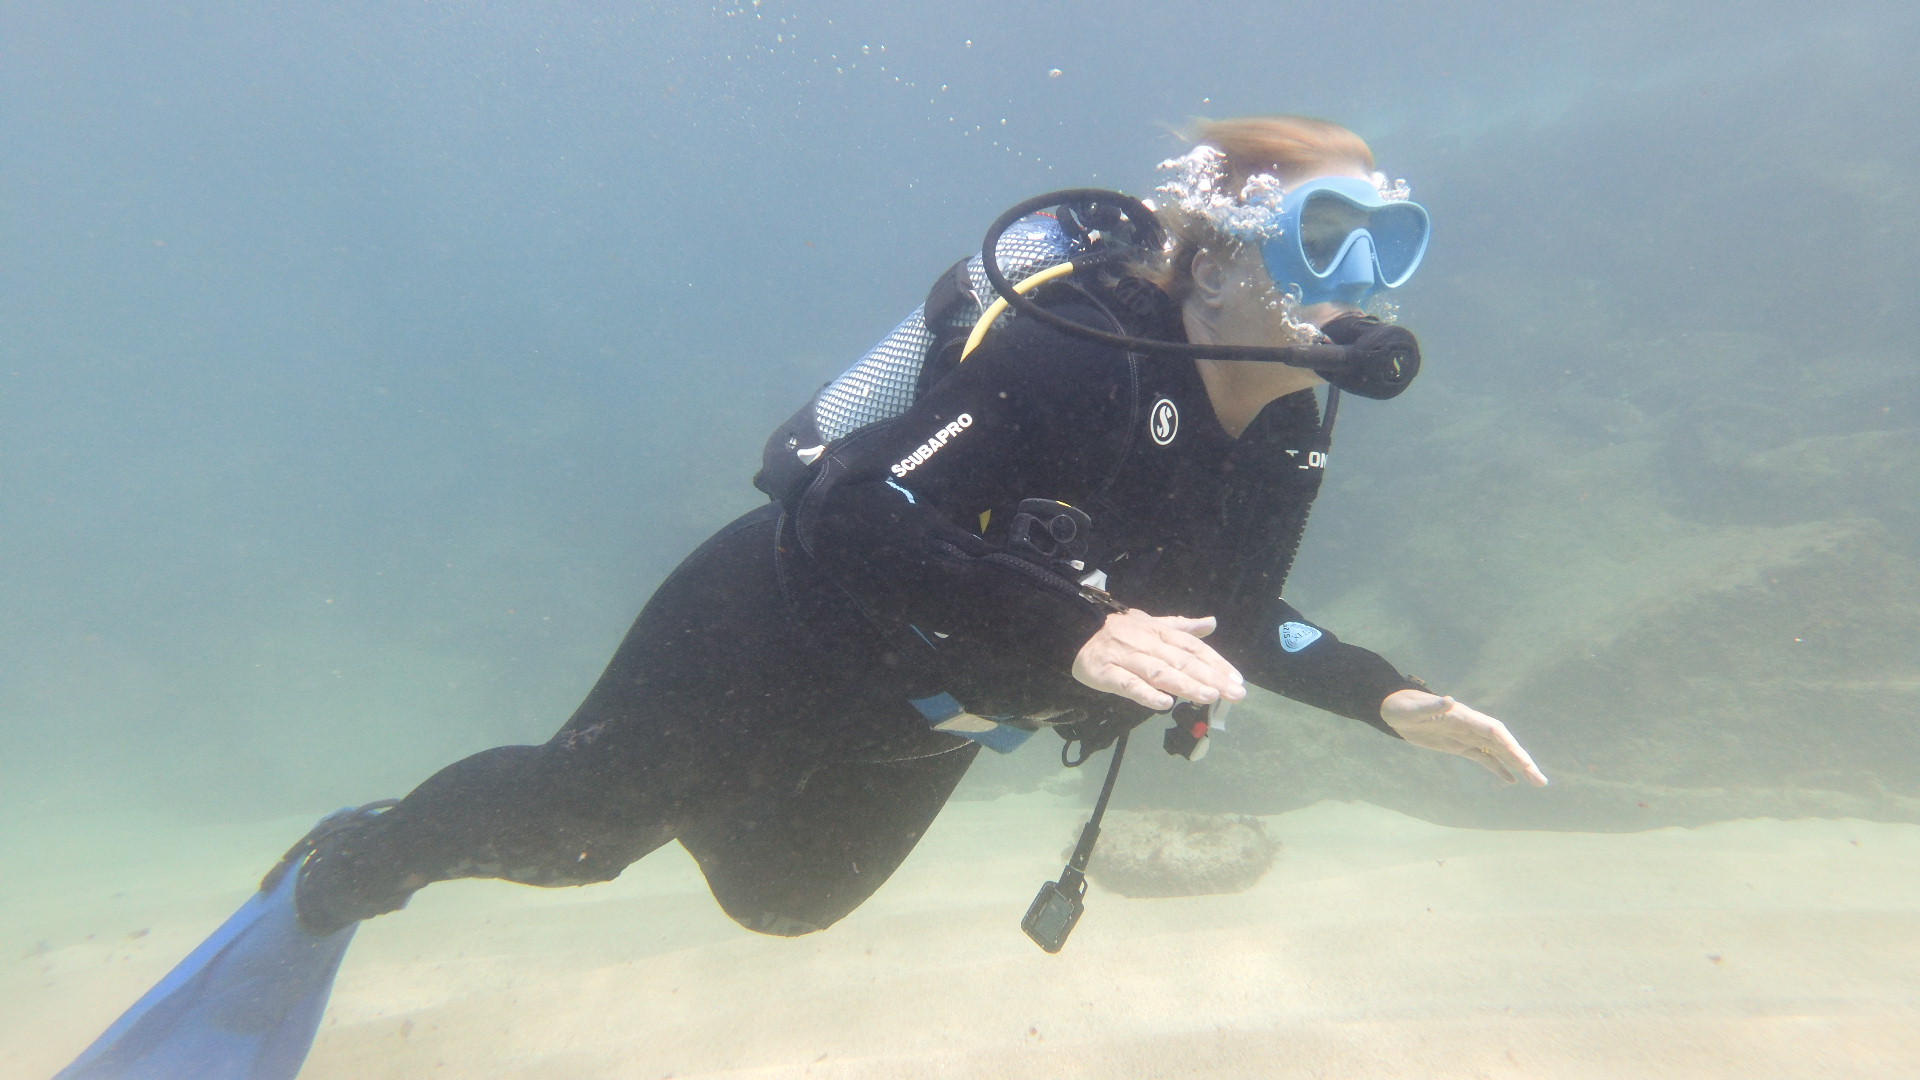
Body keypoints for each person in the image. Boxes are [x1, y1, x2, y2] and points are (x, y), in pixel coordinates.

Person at [55, 115, 1546, 1080]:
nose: (1363, 287)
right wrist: (1077, 628)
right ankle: (355, 864)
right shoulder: (1076, 354)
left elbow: (1247, 618)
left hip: (930, 712)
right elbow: (849, 504)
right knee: (582, 838)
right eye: (1326, 241)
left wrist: (1390, 698)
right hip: (779, 624)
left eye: (1389, 246)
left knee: (786, 902)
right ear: (1214, 264)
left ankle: (683, 782)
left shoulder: (1290, 425)